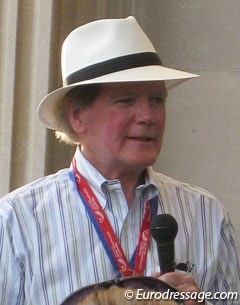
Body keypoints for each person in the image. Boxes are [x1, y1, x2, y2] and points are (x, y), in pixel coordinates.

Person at [0, 16, 239, 305]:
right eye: (127, 100)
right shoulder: (19, 220)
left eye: (157, 100)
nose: (148, 116)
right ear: (77, 115)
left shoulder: (206, 215)